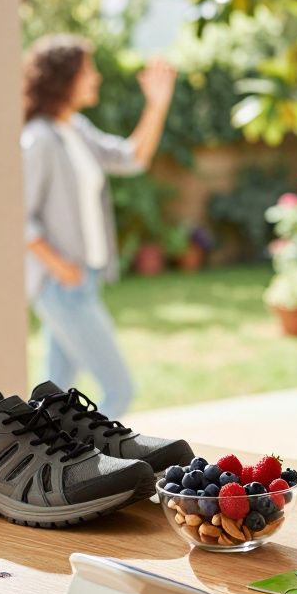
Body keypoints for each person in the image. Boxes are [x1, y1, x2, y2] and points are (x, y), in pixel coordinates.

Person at [21, 35, 176, 418]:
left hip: (81, 280)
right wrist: (60, 268)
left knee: (50, 404)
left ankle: (41, 469)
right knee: (119, 389)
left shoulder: (75, 128)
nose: (96, 78)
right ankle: (88, 469)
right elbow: (19, 217)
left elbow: (132, 158)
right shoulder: (38, 139)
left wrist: (157, 106)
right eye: (87, 70)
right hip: (62, 285)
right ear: (65, 79)